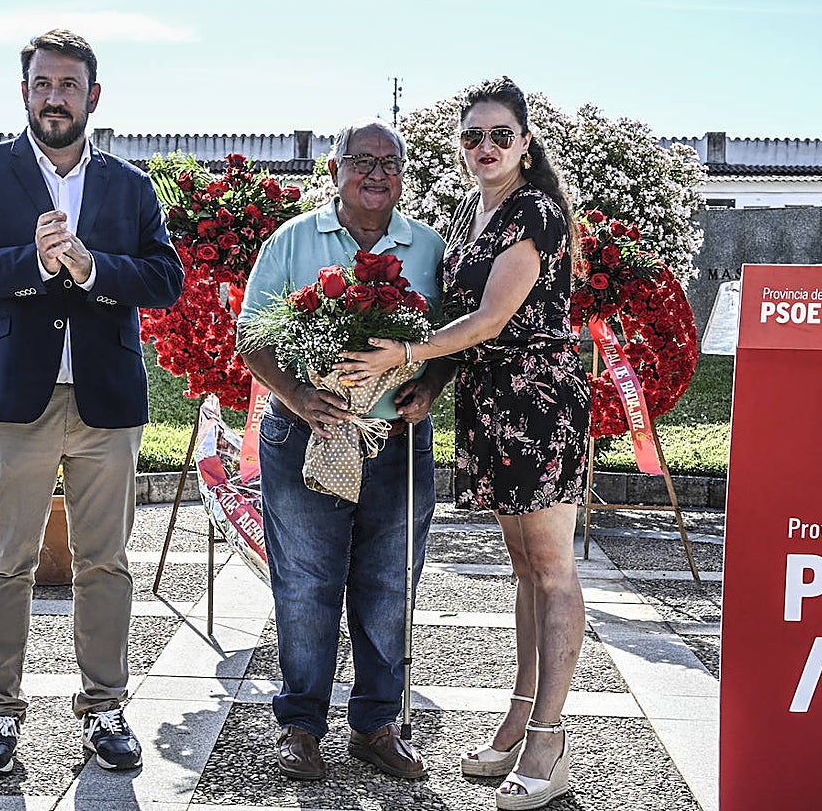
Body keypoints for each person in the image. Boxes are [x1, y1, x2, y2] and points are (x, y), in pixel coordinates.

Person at [337, 78, 590, 810]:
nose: (485, 148)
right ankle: (518, 718)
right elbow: (464, 327)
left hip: (537, 402)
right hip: (490, 401)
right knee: (523, 569)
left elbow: (487, 319)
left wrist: (399, 357)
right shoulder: (473, 211)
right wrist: (435, 382)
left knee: (551, 570)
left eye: (500, 136)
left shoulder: (534, 213)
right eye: (473, 136)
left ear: (526, 142)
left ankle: (549, 739)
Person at [0, 28, 183, 776]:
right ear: (25, 92)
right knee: (4, 561)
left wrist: (90, 268)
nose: (55, 97)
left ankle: (105, 707)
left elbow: (165, 280)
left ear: (93, 96)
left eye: (69, 86)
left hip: (106, 401)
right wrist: (36, 263)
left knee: (105, 562)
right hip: (14, 397)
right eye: (42, 84)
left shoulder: (131, 185)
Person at [238, 119, 448, 781]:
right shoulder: (293, 241)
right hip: (308, 437)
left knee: (390, 587)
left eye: (390, 162)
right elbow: (251, 334)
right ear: (335, 171)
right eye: (361, 160)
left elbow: (458, 337)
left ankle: (376, 726)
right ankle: (301, 727)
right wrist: (298, 394)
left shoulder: (429, 248)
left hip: (395, 440)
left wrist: (432, 386)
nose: (376, 173)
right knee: (306, 585)